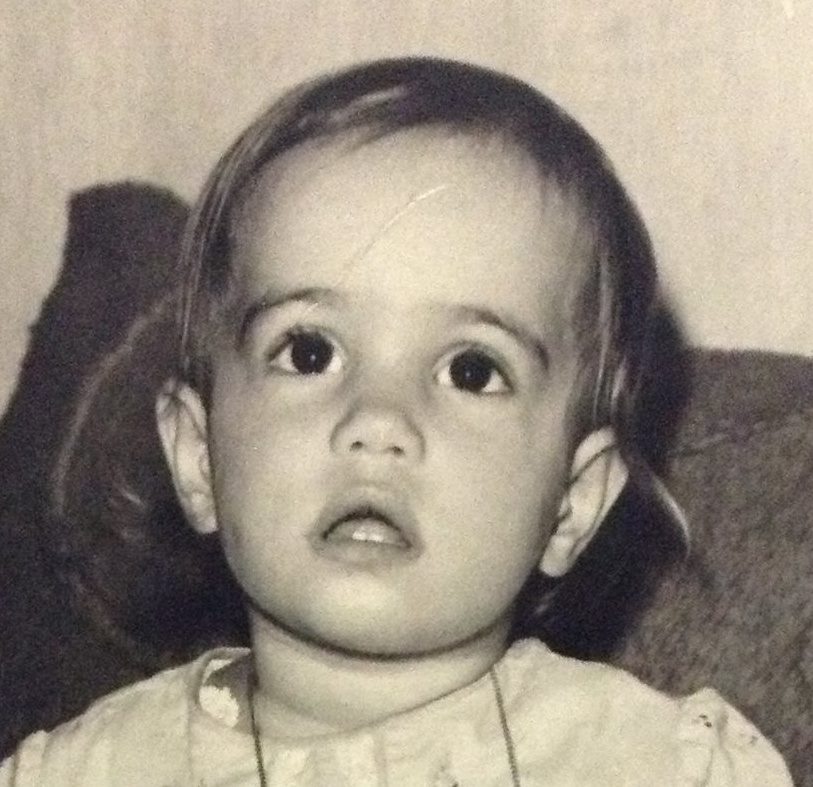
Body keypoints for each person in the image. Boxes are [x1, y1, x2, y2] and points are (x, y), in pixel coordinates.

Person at [0, 57, 792, 786]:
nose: (378, 421)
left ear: (572, 503)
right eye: (309, 352)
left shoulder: (656, 766)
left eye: (470, 370)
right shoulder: (83, 771)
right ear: (198, 455)